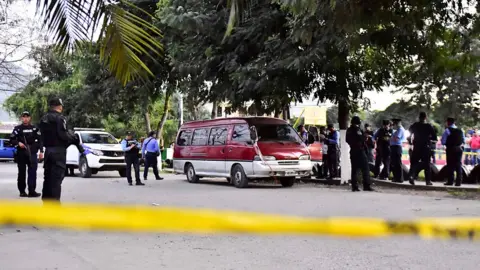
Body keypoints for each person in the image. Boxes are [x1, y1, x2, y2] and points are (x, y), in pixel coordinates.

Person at [39, 98, 84, 202]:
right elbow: (62, 135)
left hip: (48, 152)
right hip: (58, 153)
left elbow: (42, 136)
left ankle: (46, 203)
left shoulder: (44, 118)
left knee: (48, 179)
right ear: (59, 106)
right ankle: (55, 205)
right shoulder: (60, 118)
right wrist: (72, 137)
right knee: (56, 180)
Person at [10, 111, 43, 197]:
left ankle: (32, 191)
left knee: (32, 173)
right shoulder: (17, 129)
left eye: (27, 117)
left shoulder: (34, 128)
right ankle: (22, 191)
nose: (25, 118)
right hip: (21, 153)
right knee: (21, 173)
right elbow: (12, 139)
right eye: (24, 117)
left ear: (30, 118)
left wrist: (41, 152)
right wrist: (18, 143)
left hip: (32, 153)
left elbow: (40, 141)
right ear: (21, 118)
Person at [407, 112, 437, 186]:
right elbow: (434, 137)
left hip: (416, 146)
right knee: (427, 164)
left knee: (414, 163)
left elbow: (409, 133)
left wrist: (410, 142)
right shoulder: (429, 126)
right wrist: (428, 138)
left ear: (419, 117)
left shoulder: (415, 125)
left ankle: (412, 177)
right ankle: (428, 181)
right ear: (425, 117)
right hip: (425, 147)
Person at [346, 116, 374, 192]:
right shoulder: (357, 130)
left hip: (353, 151)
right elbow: (362, 138)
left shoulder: (348, 130)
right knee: (365, 168)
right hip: (360, 151)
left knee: (354, 169)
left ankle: (354, 187)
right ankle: (366, 185)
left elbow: (347, 140)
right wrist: (365, 137)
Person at [441, 118, 465, 186]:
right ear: (454, 122)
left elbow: (443, 142)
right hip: (459, 149)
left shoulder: (447, 130)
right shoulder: (461, 130)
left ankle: (450, 181)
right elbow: (463, 141)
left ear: (448, 122)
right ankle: (458, 182)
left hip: (450, 149)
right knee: (458, 165)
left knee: (450, 165)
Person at [390, 118, 405, 183]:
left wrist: (390, 137)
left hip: (397, 147)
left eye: (394, 123)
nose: (393, 125)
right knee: (394, 163)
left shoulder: (400, 129)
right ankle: (396, 177)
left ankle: (399, 178)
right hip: (394, 147)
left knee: (397, 163)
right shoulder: (397, 130)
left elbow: (396, 139)